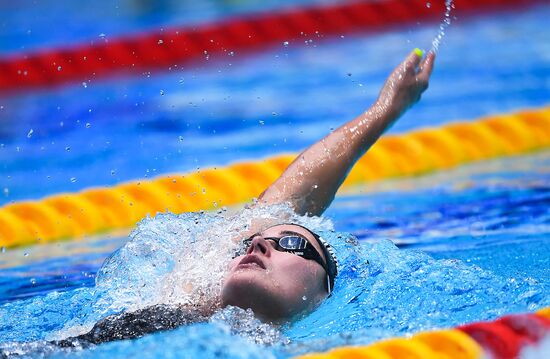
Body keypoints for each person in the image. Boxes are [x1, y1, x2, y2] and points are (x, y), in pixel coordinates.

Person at [56, 49, 436, 346]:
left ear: (325, 292)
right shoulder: (169, 309)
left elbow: (296, 200)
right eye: (246, 243)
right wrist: (383, 110)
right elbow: (293, 196)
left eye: (290, 242)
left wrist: (389, 109)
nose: (256, 243)